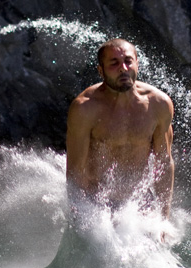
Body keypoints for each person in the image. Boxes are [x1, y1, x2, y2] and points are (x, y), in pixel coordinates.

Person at [66, 38, 175, 223]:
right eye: (114, 63)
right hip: (96, 204)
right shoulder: (85, 109)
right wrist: (80, 220)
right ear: (100, 70)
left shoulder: (159, 104)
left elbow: (163, 164)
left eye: (128, 61)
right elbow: (76, 170)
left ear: (137, 64)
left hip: (138, 203)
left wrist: (163, 219)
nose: (123, 68)